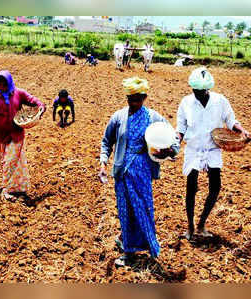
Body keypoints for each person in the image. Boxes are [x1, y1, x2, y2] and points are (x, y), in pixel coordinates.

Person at [99, 77, 179, 266]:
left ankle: (146, 244)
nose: (133, 102)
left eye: (138, 98)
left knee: (143, 209)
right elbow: (106, 141)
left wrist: (169, 150)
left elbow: (173, 139)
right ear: (127, 98)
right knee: (125, 211)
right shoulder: (118, 117)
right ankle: (129, 252)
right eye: (130, 98)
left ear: (144, 97)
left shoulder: (153, 118)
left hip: (142, 171)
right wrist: (103, 163)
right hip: (122, 171)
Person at [176, 67, 250, 240]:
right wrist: (175, 142)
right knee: (191, 188)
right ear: (191, 88)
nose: (198, 94)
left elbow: (231, 120)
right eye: (195, 90)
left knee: (215, 187)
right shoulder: (186, 103)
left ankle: (202, 224)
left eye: (201, 91)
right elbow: (180, 128)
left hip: (212, 148)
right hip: (193, 149)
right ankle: (190, 226)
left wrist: (242, 131)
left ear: (207, 89)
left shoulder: (220, 101)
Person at [0, 71, 46, 201]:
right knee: (6, 162)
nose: (2, 87)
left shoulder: (18, 93)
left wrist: (41, 106)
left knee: (10, 162)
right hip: (0, 135)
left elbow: (32, 100)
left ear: (9, 83)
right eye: (0, 85)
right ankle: (17, 187)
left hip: (16, 135)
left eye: (5, 84)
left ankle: (6, 189)